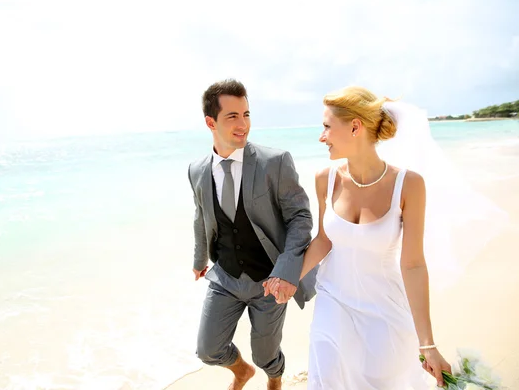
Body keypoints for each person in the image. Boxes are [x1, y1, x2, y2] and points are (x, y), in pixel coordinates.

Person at [265, 85, 454, 389]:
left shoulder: (408, 185)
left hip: (384, 308)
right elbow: (325, 241)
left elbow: (414, 264)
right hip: (333, 300)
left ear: (355, 127)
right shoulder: (325, 179)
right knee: (327, 374)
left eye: (327, 126)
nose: (321, 136)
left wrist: (427, 343)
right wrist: (291, 277)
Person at [187, 79, 318, 390]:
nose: (242, 124)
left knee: (266, 355)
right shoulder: (197, 170)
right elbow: (200, 216)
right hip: (226, 277)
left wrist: (287, 272)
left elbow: (300, 218)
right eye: (232, 116)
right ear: (211, 122)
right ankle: (242, 371)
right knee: (208, 350)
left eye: (246, 114)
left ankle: (274, 378)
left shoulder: (275, 162)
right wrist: (199, 259)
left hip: (269, 281)